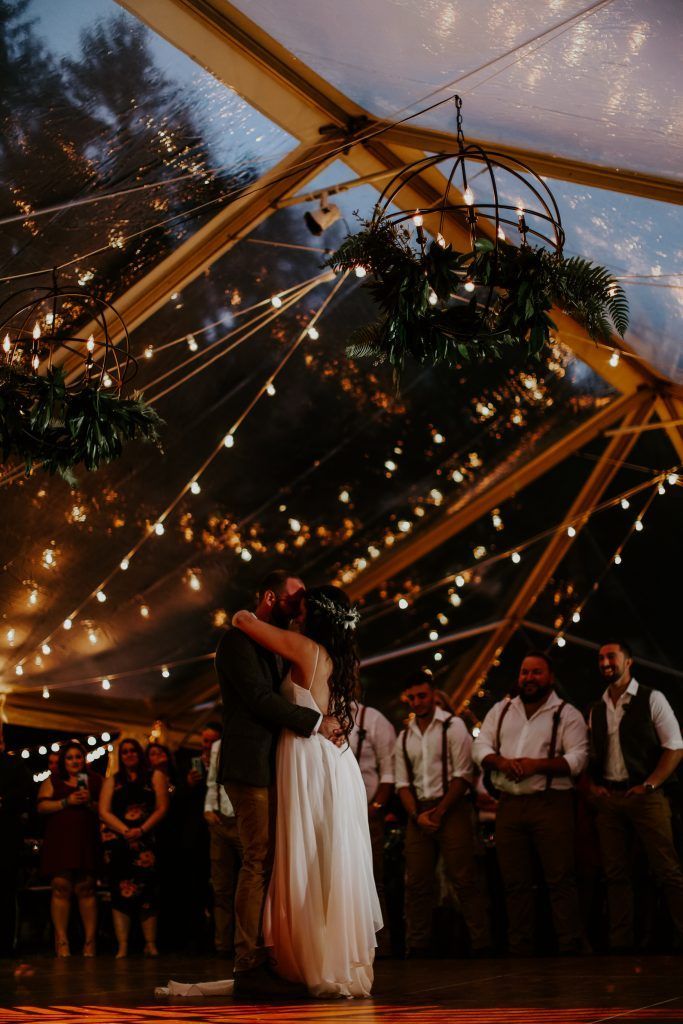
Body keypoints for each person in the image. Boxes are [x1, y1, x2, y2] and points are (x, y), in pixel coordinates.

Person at [232, 583, 382, 997]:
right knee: (328, 858)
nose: (292, 610)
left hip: (309, 758)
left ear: (309, 615)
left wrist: (254, 608)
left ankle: (308, 958)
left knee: (308, 856)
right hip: (335, 763)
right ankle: (333, 957)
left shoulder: (302, 648)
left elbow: (241, 620)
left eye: (298, 607)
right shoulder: (338, 658)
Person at [215, 570, 344, 999]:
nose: (300, 604)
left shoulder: (274, 646)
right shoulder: (237, 643)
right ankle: (247, 962)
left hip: (276, 765)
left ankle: (273, 951)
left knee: (274, 859)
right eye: (295, 597)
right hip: (249, 764)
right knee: (257, 858)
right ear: (273, 597)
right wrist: (315, 722)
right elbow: (257, 699)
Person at [473, 651, 588, 956]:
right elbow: (480, 745)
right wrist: (499, 761)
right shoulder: (502, 710)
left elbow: (578, 759)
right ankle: (520, 946)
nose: (529, 678)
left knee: (559, 877)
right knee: (514, 881)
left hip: (551, 803)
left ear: (550, 678)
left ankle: (569, 944)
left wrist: (537, 765)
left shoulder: (567, 713)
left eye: (536, 673)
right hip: (509, 804)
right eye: (525, 672)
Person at [585, 639, 683, 950]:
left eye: (611, 656)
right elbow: (591, 753)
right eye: (601, 658)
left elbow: (675, 747)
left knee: (667, 869)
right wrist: (594, 787)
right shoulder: (597, 708)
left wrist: (651, 785)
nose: (604, 663)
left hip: (645, 795)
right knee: (615, 875)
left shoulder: (652, 698)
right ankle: (621, 943)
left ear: (629, 662)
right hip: (611, 797)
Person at [395, 671, 491, 957]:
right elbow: (402, 783)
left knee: (464, 877)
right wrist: (417, 816)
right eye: (411, 697)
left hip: (452, 807)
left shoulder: (453, 726)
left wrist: (439, 813)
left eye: (422, 696)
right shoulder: (404, 736)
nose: (417, 702)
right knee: (416, 882)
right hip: (419, 810)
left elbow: (464, 774)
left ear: (434, 695)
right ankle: (418, 945)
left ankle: (482, 943)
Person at [99, 738, 169, 958]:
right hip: (120, 841)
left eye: (133, 751)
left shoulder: (155, 776)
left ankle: (150, 943)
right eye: (125, 752)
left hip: (146, 841)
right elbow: (104, 811)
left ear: (140, 754)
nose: (129, 755)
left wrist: (141, 829)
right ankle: (123, 945)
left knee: (149, 892)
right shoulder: (113, 781)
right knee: (119, 894)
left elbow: (162, 807)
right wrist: (125, 830)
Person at [36, 741, 103, 957]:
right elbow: (41, 806)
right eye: (70, 757)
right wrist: (66, 801)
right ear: (64, 761)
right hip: (61, 840)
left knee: (86, 887)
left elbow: (106, 808)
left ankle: (90, 943)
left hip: (86, 839)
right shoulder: (53, 780)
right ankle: (62, 942)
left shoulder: (95, 780)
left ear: (84, 759)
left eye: (78, 757)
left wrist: (90, 803)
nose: (75, 761)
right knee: (61, 886)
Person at [349, 693, 396, 956]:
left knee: (373, 879)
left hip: (367, 813)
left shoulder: (373, 719)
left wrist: (375, 808)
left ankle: (381, 945)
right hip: (333, 813)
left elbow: (389, 771)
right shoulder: (318, 715)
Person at [204, 737, 242, 956]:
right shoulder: (218, 745)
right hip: (220, 820)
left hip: (242, 819)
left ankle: (246, 943)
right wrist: (209, 807)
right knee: (221, 887)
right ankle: (223, 944)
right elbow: (212, 780)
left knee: (250, 883)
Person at [0, 727, 30, 957]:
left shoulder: (14, 765)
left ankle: (5, 943)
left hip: (5, 839)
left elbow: (22, 796)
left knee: (6, 892)